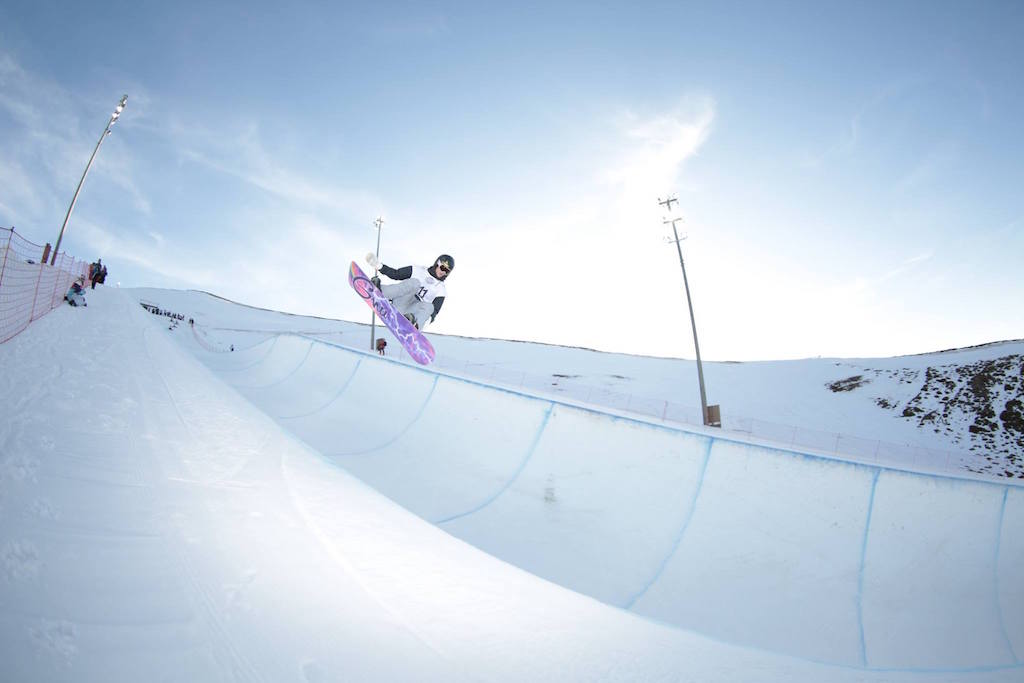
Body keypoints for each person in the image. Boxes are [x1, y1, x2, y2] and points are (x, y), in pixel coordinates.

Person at [366, 252, 453, 330]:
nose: (443, 272)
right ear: (437, 264)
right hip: (401, 302)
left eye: (446, 271)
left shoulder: (441, 289)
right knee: (415, 283)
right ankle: (380, 291)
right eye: (442, 268)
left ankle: (413, 326)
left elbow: (434, 312)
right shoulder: (419, 270)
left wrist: (423, 324)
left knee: (430, 307)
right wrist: (378, 265)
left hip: (411, 314)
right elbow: (396, 274)